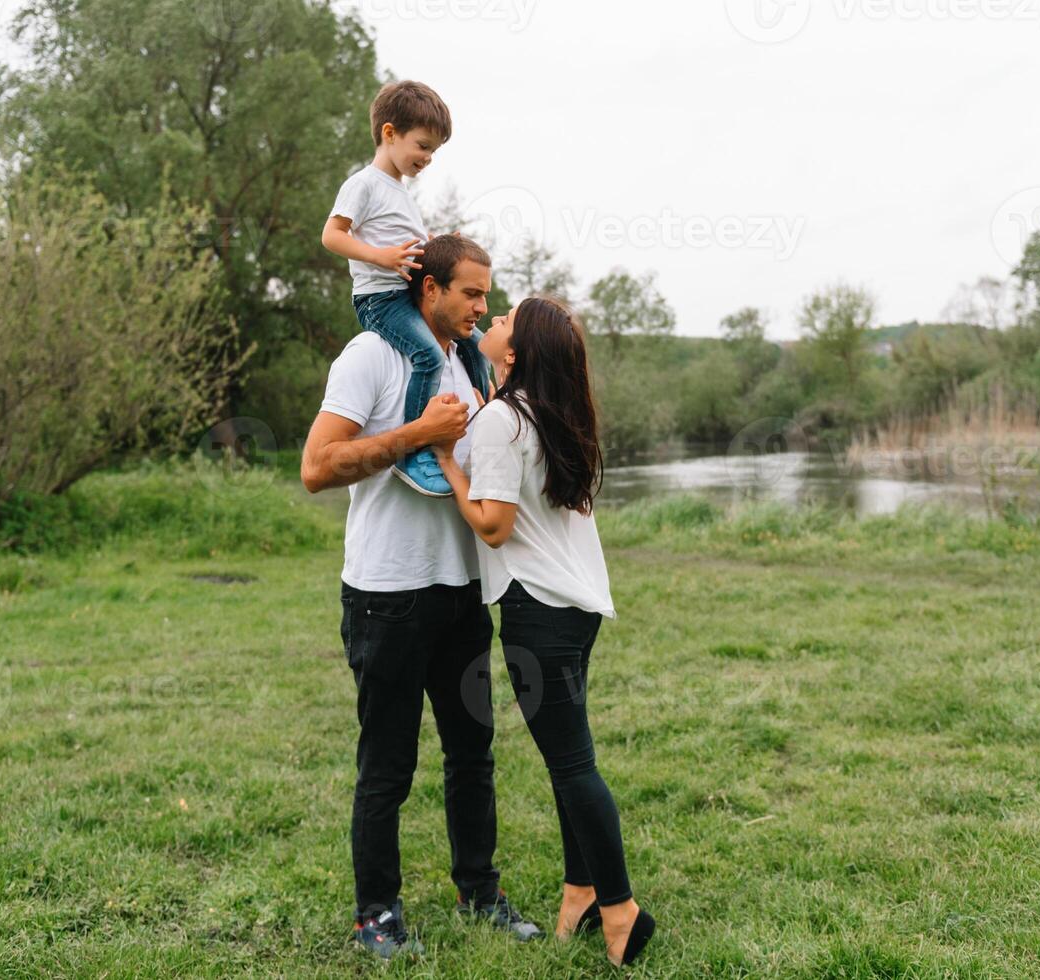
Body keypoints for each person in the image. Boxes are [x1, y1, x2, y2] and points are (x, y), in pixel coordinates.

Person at [300, 234, 541, 961]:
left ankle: (480, 891)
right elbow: (317, 467)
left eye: (487, 293)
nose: (482, 305)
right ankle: (376, 911)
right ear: (427, 290)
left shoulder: (471, 366)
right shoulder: (371, 354)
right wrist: (417, 433)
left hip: (462, 592)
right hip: (387, 597)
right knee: (388, 762)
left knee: (474, 752)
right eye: (470, 292)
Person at [431, 296, 657, 968]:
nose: (493, 317)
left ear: (516, 351)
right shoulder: (551, 413)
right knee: (568, 762)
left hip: (537, 610)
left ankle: (621, 913)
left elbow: (495, 525)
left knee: (572, 764)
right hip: (576, 606)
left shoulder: (504, 418)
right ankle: (579, 893)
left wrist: (447, 459)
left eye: (503, 321)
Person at [321, 79, 490, 498]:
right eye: (423, 146)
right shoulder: (363, 183)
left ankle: (490, 423)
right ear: (389, 133)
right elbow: (332, 236)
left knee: (478, 346)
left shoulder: (400, 190)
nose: (428, 158)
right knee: (429, 356)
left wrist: (439, 247)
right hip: (379, 301)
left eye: (434, 151)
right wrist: (382, 258)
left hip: (402, 294)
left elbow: (410, 244)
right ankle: (415, 454)